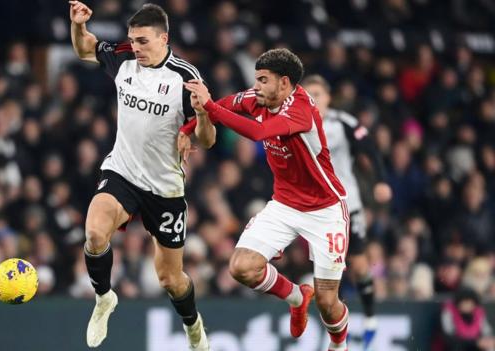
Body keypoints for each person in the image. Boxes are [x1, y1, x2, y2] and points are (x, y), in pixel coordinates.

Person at [69, 2, 215, 350]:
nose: (136, 47)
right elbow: (85, 47)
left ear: (164, 38)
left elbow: (207, 141)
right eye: (132, 40)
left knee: (170, 279)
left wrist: (202, 114)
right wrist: (77, 26)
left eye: (144, 41)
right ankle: (104, 297)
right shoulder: (124, 58)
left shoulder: (185, 77)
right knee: (93, 232)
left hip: (164, 189)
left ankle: (193, 326)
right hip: (122, 170)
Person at [182, 48, 350, 350]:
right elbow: (221, 105)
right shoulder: (257, 97)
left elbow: (259, 132)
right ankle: (298, 297)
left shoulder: (300, 110)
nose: (255, 86)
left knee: (327, 302)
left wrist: (209, 106)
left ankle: (339, 345)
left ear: (284, 83)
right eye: (255, 79)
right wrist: (188, 128)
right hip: (284, 204)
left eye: (262, 80)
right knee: (241, 267)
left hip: (325, 209)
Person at [302, 74, 392, 350]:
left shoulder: (343, 123)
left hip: (346, 205)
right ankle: (336, 332)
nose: (314, 98)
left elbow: (369, 149)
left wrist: (380, 181)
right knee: (328, 272)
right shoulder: (296, 124)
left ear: (328, 97)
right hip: (316, 211)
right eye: (309, 93)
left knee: (359, 265)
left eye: (318, 92)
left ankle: (370, 318)